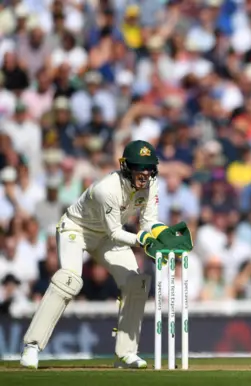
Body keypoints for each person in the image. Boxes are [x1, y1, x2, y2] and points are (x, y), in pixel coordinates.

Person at [20, 140, 166, 369]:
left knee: (136, 283)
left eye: (148, 167)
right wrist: (142, 240)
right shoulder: (106, 189)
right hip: (77, 230)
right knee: (69, 280)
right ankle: (32, 346)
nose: (144, 173)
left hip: (106, 237)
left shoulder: (152, 184)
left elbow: (149, 222)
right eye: (139, 166)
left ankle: (126, 353)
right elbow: (116, 232)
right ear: (126, 166)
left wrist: (161, 236)